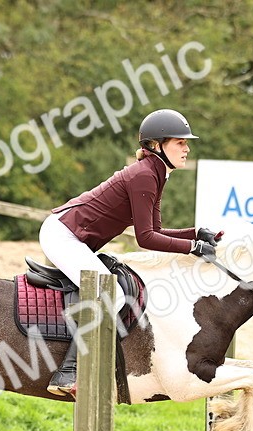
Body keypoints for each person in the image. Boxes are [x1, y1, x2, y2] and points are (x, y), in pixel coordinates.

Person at [39, 108, 222, 395]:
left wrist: (195, 234)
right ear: (156, 146)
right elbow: (146, 239)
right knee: (108, 293)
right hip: (63, 235)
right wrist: (192, 247)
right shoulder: (144, 176)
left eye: (186, 143)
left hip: (71, 236)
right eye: (180, 142)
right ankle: (68, 372)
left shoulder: (155, 173)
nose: (187, 148)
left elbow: (156, 231)